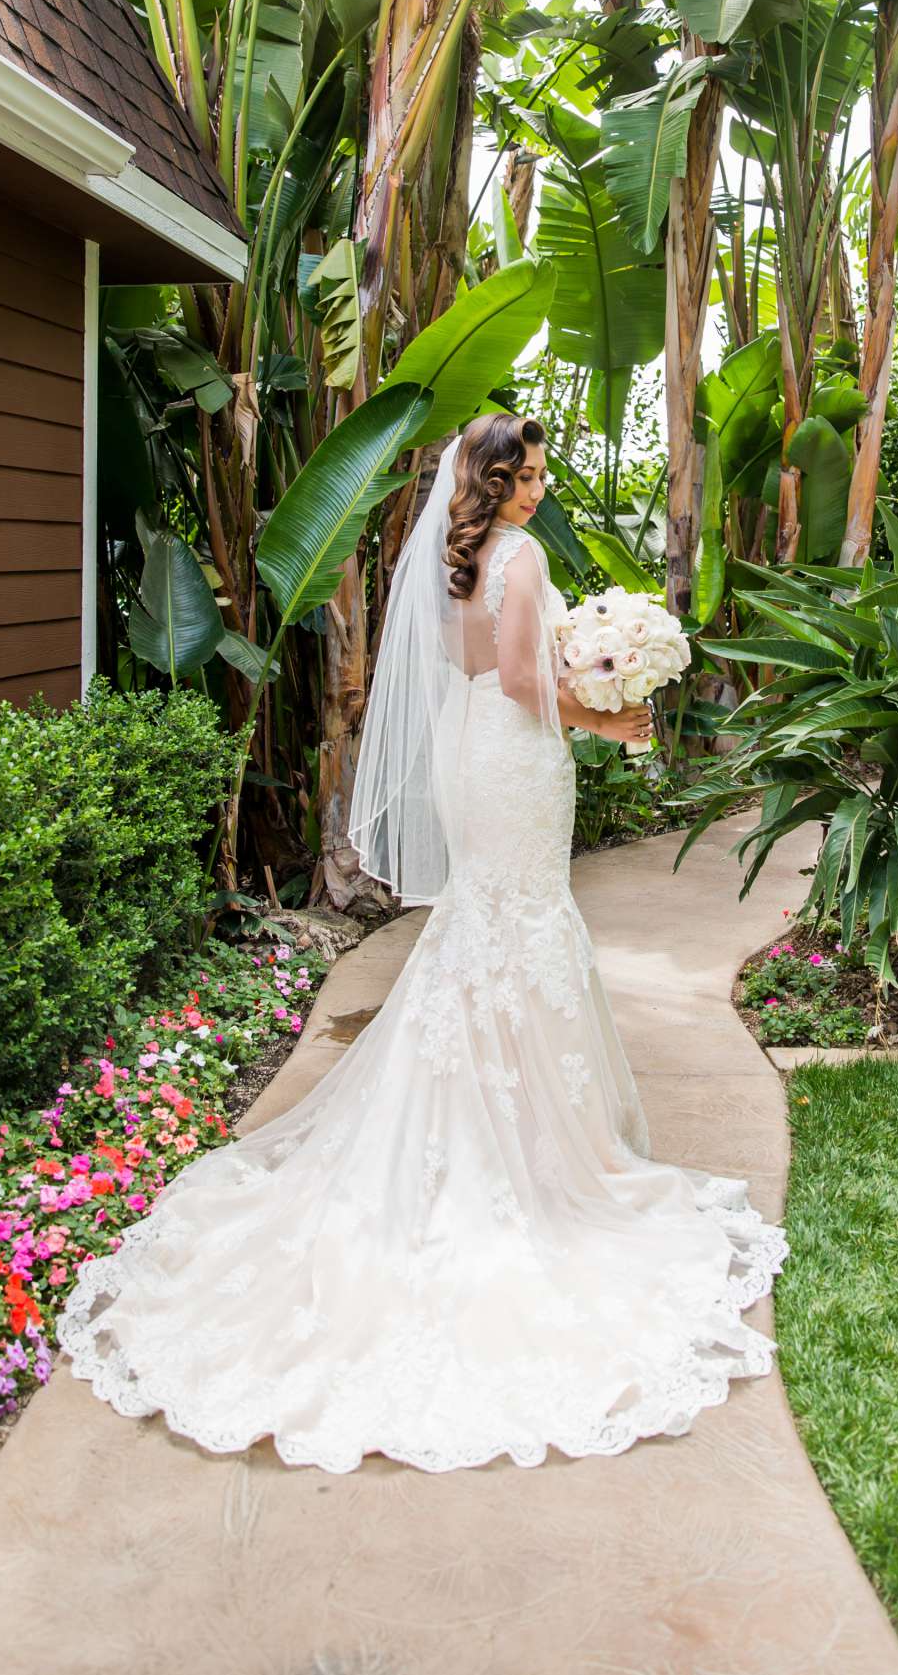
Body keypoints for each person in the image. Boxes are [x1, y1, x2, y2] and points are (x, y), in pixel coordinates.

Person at [58, 411, 788, 1472]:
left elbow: (479, 672)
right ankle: (528, 1149)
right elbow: (535, 685)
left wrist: (580, 683)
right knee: (523, 917)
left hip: (467, 748)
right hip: (520, 752)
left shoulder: (449, 558)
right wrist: (612, 715)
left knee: (488, 921)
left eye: (538, 474)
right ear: (489, 480)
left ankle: (486, 1109)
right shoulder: (524, 556)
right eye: (523, 474)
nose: (536, 490)